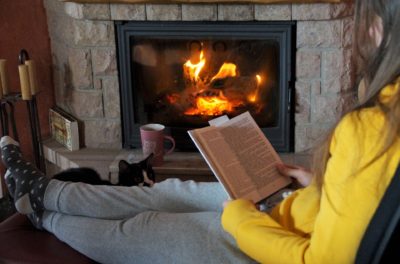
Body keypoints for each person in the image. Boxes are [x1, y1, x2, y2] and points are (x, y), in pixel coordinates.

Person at [1, 0, 399, 263]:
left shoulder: (374, 128)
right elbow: (369, 204)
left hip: (268, 245)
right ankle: (48, 192)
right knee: (171, 192)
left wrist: (241, 218)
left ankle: (43, 215)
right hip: (295, 208)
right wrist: (321, 184)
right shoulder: (382, 123)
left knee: (145, 228)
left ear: (381, 29)